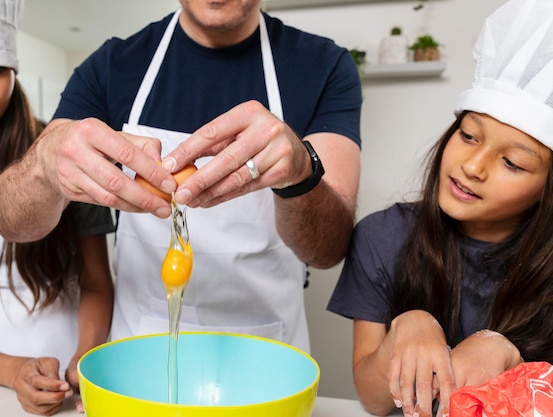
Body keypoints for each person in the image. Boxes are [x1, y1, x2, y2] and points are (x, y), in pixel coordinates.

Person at [2, 0, 361, 352]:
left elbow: (327, 251)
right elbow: (14, 224)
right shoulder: (112, 66)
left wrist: (300, 172)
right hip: (140, 351)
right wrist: (43, 167)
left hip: (268, 353)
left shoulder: (324, 66)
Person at [327, 0, 553, 416]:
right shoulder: (382, 235)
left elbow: (550, 406)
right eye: (469, 135)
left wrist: (504, 353)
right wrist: (407, 327)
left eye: (512, 163)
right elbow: (374, 401)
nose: (472, 167)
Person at [0, 0, 115, 415]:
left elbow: (97, 281)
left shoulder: (64, 157)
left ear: (13, 74)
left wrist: (85, 360)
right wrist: (12, 371)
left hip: (68, 387)